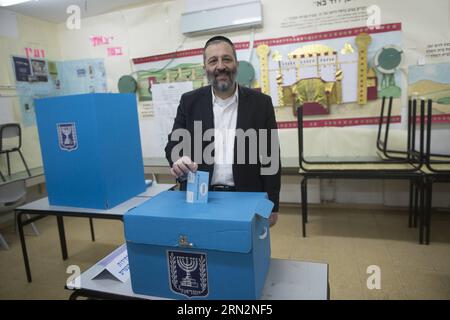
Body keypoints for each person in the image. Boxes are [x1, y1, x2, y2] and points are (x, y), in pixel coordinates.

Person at [165, 35, 281, 227]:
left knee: (245, 251)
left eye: (226, 59)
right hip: (200, 197)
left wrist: (273, 205)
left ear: (236, 63)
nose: (220, 66)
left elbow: (271, 158)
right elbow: (173, 145)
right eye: (213, 60)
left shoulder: (261, 103)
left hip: (247, 197)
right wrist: (179, 160)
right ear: (205, 68)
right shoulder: (189, 101)